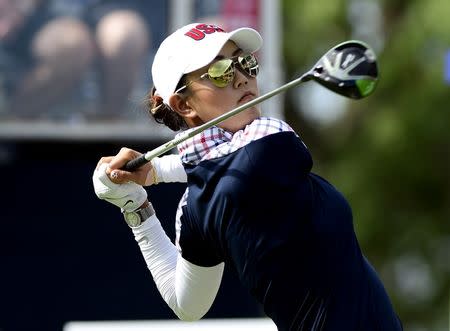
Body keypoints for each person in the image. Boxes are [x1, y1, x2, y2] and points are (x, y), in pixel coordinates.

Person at [92, 23, 403, 330]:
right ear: (184, 104)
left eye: (245, 63)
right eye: (220, 72)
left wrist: (137, 207)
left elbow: (187, 305)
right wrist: (152, 178)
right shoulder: (268, 146)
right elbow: (228, 160)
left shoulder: (194, 209)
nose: (242, 79)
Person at [0, 0, 150, 119]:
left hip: (109, 9)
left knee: (125, 37)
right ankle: (13, 121)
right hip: (43, 17)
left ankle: (109, 125)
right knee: (71, 45)